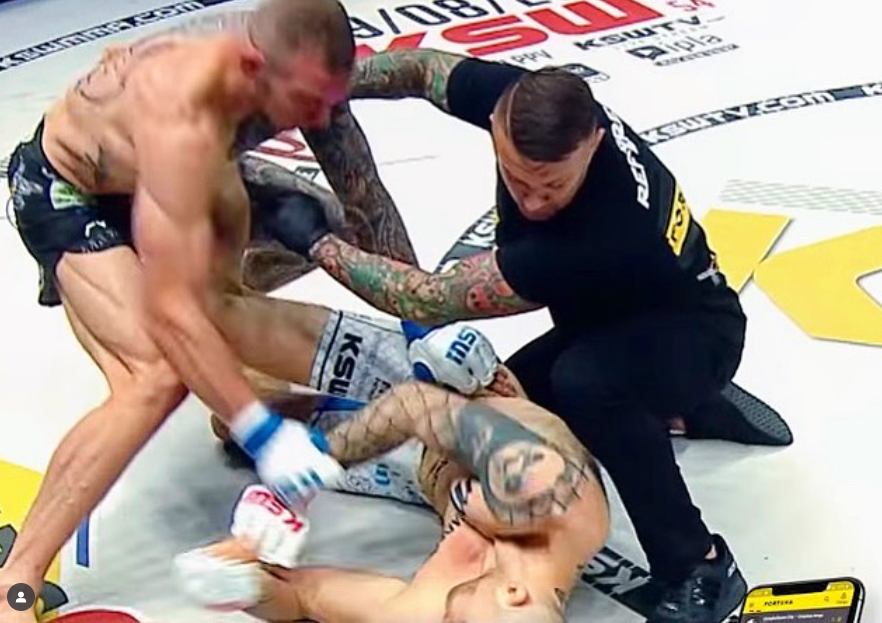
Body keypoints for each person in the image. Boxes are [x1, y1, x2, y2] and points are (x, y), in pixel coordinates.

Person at [248, 48, 794, 623]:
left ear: (595, 141)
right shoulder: (526, 103)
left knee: (586, 387)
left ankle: (697, 563)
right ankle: (683, 404)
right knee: (507, 398)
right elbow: (422, 71)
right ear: (496, 122)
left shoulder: (604, 230)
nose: (532, 201)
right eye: (517, 178)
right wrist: (334, 86)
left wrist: (316, 243)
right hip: (615, 322)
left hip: (695, 332)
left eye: (552, 186)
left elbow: (423, 299)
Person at [0, 0, 418, 619]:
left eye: (329, 102)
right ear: (253, 67)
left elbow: (366, 200)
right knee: (154, 376)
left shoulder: (289, 73)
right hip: (70, 192)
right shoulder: (182, 116)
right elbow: (171, 313)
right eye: (308, 102)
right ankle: (18, 577)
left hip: (166, 178)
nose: (319, 118)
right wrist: (264, 432)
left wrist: (418, 324)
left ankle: (233, 396)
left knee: (305, 226)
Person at [176, 303, 609, 623]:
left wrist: (239, 584)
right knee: (222, 317)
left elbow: (303, 597)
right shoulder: (550, 496)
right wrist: (308, 469)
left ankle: (322, 410)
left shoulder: (428, 610)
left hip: (417, 466)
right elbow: (415, 403)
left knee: (231, 423)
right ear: (514, 594)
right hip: (453, 390)